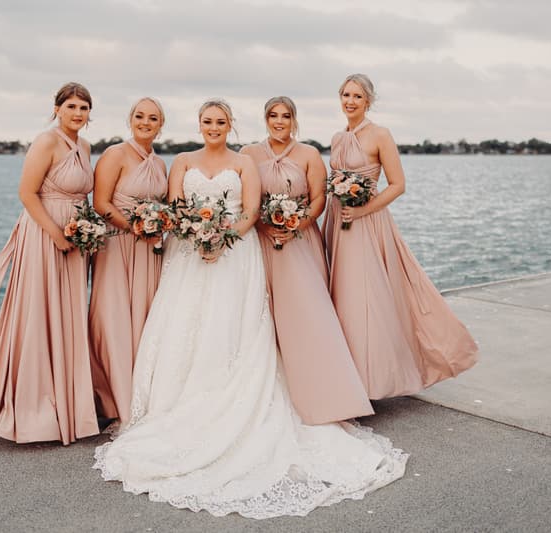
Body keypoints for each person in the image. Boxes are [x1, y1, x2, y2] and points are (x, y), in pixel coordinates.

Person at [93, 99, 407, 519]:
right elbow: (176, 209)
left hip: (235, 256)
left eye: (221, 122)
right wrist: (195, 234)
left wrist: (222, 239)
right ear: (199, 124)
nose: (213, 127)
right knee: (183, 327)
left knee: (232, 329)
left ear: (231, 125)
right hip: (187, 258)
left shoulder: (244, 162)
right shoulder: (182, 161)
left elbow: (252, 212)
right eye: (207, 121)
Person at [323, 73, 479, 399]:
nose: (350, 101)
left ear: (368, 102)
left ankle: (372, 383)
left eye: (357, 97)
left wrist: (363, 211)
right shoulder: (337, 138)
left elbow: (398, 185)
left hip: (367, 224)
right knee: (342, 298)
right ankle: (347, 377)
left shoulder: (380, 135)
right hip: (338, 223)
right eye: (346, 95)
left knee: (365, 300)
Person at [0, 82, 100, 445]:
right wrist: (55, 233)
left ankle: (67, 404)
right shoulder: (46, 141)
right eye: (71, 106)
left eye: (83, 108)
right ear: (57, 108)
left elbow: (83, 194)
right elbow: (27, 192)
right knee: (39, 312)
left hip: (75, 236)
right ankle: (32, 409)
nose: (77, 114)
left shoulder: (84, 146)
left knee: (67, 315)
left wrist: (85, 231)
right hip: (43, 234)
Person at [240, 96, 372, 425]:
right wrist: (265, 226)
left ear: (294, 120)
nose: (279, 121)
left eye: (286, 116)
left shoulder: (309, 154)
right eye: (273, 115)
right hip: (263, 240)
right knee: (263, 311)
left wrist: (295, 223)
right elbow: (247, 201)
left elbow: (318, 201)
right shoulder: (248, 154)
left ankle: (325, 389)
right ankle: (268, 388)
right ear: (265, 119)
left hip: (300, 240)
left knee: (306, 312)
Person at [88, 97, 168, 424]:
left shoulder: (160, 164)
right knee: (114, 318)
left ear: (160, 125)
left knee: (145, 320)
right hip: (118, 245)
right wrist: (135, 226)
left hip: (149, 250)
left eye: (152, 118)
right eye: (139, 116)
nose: (145, 122)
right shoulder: (115, 155)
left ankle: (140, 395)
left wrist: (157, 226)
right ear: (130, 120)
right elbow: (101, 203)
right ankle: (110, 398)